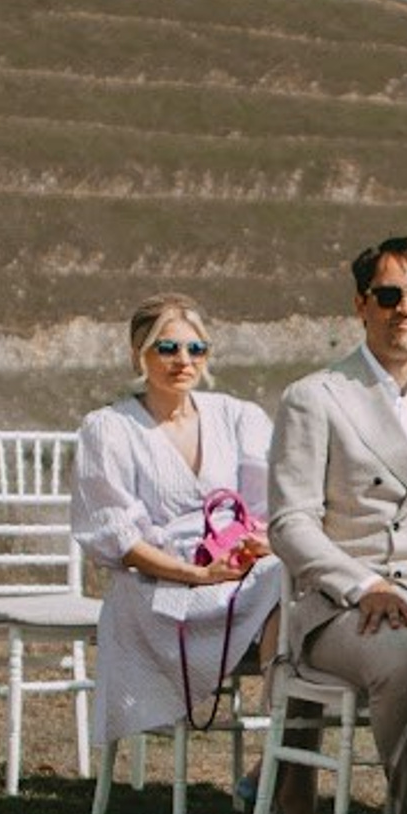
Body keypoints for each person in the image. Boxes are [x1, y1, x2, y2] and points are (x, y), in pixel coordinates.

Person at [266, 232, 407, 814]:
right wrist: (365, 586)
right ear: (362, 304)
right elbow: (289, 523)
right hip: (346, 608)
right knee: (406, 658)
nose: (405, 309)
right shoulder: (316, 397)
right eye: (388, 295)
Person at [72, 298, 286, 757]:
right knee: (282, 584)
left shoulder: (236, 415)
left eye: (196, 348)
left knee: (290, 582)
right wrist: (195, 575)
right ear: (139, 353)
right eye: (167, 347)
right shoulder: (109, 428)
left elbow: (269, 504)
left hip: (235, 571)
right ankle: (281, 768)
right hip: (157, 584)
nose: (183, 361)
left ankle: (278, 755)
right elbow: (119, 539)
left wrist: (255, 545)